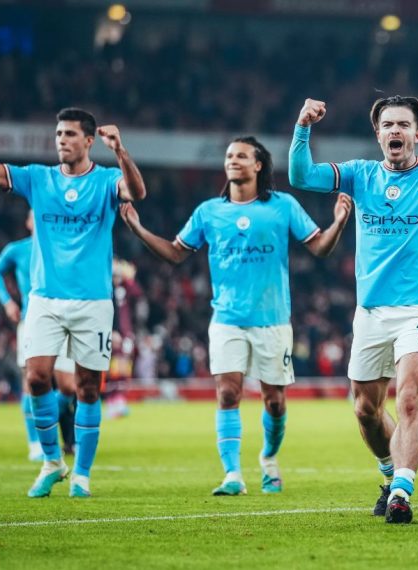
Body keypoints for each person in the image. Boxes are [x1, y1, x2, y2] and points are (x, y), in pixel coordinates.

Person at [289, 95, 418, 523]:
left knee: (408, 399)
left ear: (417, 135)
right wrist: (302, 126)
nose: (395, 132)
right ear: (378, 134)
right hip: (370, 313)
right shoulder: (359, 175)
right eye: (388, 125)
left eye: (404, 125)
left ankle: (402, 493)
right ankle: (389, 477)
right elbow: (302, 175)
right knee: (366, 412)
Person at [121, 136, 352, 495]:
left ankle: (269, 458)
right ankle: (232, 475)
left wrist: (337, 222)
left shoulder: (282, 206)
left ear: (258, 165)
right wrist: (137, 228)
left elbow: (320, 247)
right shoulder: (208, 212)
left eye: (241, 155)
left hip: (273, 320)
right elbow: (174, 253)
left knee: (274, 400)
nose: (233, 160)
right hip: (227, 318)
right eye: (229, 155)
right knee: (227, 392)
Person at [0, 103, 146, 498]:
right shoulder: (38, 178)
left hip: (93, 302)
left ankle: (82, 474)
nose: (61, 141)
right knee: (36, 377)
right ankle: (52, 462)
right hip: (45, 300)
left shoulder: (105, 181)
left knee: (86, 387)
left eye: (69, 135)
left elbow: (137, 191)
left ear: (88, 140)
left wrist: (120, 150)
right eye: (58, 135)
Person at [0, 211, 77, 461]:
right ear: (28, 222)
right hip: (32, 320)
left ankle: (44, 420)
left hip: (64, 320)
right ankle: (35, 443)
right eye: (34, 217)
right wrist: (7, 302)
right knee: (31, 381)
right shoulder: (18, 250)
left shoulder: (64, 247)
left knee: (69, 386)